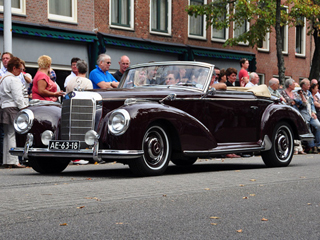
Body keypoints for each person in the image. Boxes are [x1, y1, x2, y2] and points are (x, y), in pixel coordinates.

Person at [0, 57, 29, 168]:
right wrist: (24, 107)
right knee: (12, 135)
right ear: (14, 68)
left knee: (7, 135)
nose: (21, 71)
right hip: (13, 108)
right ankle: (14, 161)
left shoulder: (3, 79)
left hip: (4, 107)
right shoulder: (13, 80)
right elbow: (18, 97)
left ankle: (6, 160)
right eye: (20, 69)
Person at [281, 78, 306, 155]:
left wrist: (295, 101)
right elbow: (286, 102)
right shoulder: (283, 93)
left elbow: (301, 104)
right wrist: (293, 102)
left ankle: (299, 147)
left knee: (298, 127)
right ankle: (295, 148)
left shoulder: (295, 93)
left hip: (296, 112)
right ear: (289, 85)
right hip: (288, 113)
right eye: (294, 83)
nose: (295, 85)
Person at [296, 78, 320, 153]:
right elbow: (302, 104)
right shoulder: (298, 93)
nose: (309, 86)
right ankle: (312, 146)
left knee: (318, 125)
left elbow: (312, 103)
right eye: (308, 84)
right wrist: (302, 95)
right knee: (307, 126)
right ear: (303, 85)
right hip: (304, 112)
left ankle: (318, 144)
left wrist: (313, 112)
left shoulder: (309, 93)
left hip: (310, 112)